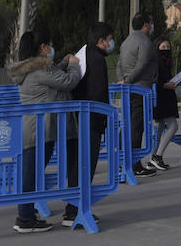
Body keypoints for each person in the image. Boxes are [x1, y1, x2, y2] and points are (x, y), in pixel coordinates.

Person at [9, 29, 80, 233]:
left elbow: (51, 79)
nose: (52, 48)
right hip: (41, 129)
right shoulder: (42, 69)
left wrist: (62, 65)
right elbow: (67, 82)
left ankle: (26, 215)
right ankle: (24, 218)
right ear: (43, 48)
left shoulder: (31, 69)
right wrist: (74, 66)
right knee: (30, 175)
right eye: (50, 44)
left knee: (31, 173)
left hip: (34, 128)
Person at [65, 21, 112, 227]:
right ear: (102, 41)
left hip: (76, 118)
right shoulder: (98, 60)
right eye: (110, 40)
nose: (112, 44)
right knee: (85, 166)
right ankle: (76, 210)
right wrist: (104, 117)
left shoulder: (83, 54)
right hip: (91, 120)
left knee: (75, 165)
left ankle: (72, 209)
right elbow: (98, 92)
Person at [117, 12, 159, 179]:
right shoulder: (145, 42)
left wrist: (122, 80)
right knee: (136, 127)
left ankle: (122, 161)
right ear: (146, 25)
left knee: (126, 125)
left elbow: (119, 63)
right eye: (151, 22)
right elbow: (142, 65)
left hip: (127, 89)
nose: (152, 25)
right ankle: (134, 165)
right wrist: (128, 80)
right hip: (139, 88)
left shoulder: (126, 41)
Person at [149, 37, 180, 171]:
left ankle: (153, 158)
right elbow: (154, 81)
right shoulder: (156, 61)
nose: (166, 49)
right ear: (157, 48)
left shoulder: (166, 62)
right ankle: (158, 156)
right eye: (163, 47)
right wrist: (165, 85)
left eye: (168, 47)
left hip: (166, 97)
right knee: (173, 126)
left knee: (161, 127)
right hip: (161, 98)